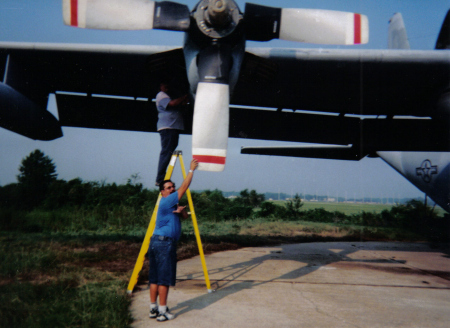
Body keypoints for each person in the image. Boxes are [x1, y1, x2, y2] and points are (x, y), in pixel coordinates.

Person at [148, 158, 199, 321]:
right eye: (168, 188)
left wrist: (182, 212)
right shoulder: (167, 200)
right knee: (164, 278)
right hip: (164, 244)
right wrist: (191, 170)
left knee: (155, 277)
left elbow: (182, 216)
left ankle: (153, 308)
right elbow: (184, 187)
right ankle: (163, 311)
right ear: (162, 192)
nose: (172, 189)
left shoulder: (169, 205)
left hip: (157, 242)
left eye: (172, 187)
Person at [155, 81, 189, 186]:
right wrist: (184, 97)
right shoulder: (161, 95)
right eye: (164, 84)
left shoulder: (168, 97)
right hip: (168, 128)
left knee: (168, 151)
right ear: (160, 86)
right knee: (166, 152)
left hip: (172, 128)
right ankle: (160, 179)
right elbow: (172, 103)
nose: (167, 87)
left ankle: (162, 177)